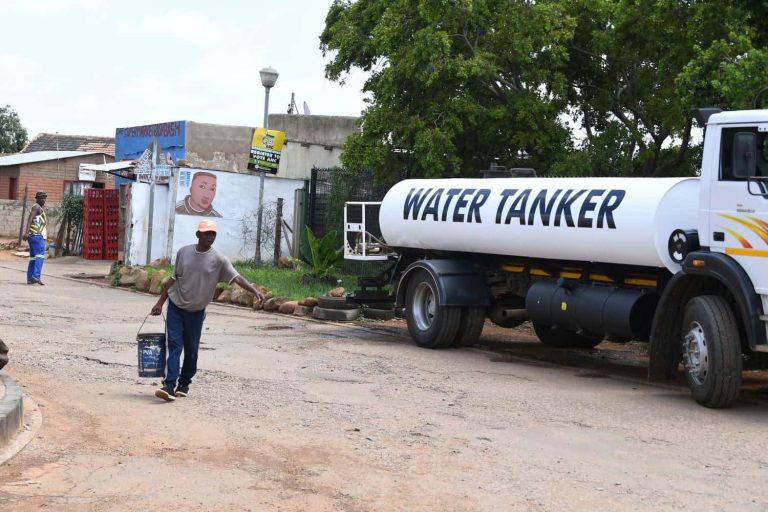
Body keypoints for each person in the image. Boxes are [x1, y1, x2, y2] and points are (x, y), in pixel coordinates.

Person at [150, 219, 263, 401]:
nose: (210, 236)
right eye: (206, 233)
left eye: (213, 234)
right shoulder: (184, 252)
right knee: (174, 345)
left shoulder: (219, 259)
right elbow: (173, 279)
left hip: (196, 312)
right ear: (198, 235)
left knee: (192, 350)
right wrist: (159, 303)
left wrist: (254, 290)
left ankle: (184, 383)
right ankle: (169, 385)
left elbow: (236, 278)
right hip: (176, 307)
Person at [22, 191, 47, 285]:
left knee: (33, 258)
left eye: (45, 198)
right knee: (40, 256)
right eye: (42, 198)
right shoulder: (36, 207)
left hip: (33, 236)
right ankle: (36, 276)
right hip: (36, 235)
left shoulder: (38, 208)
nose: (44, 200)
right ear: (37, 198)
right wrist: (26, 232)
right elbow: (30, 219)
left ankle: (30, 278)